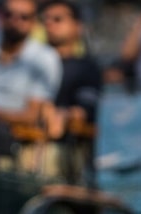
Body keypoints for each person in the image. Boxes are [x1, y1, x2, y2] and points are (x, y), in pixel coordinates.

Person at [0, 0, 63, 140]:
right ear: (0, 16)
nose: (14, 21)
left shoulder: (44, 58)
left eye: (24, 17)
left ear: (34, 22)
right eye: (8, 14)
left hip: (13, 139)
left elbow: (32, 115)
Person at [41, 0, 101, 129]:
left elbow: (85, 110)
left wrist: (62, 116)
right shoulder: (32, 62)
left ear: (77, 26)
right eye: (45, 20)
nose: (49, 24)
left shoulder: (86, 68)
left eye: (58, 19)